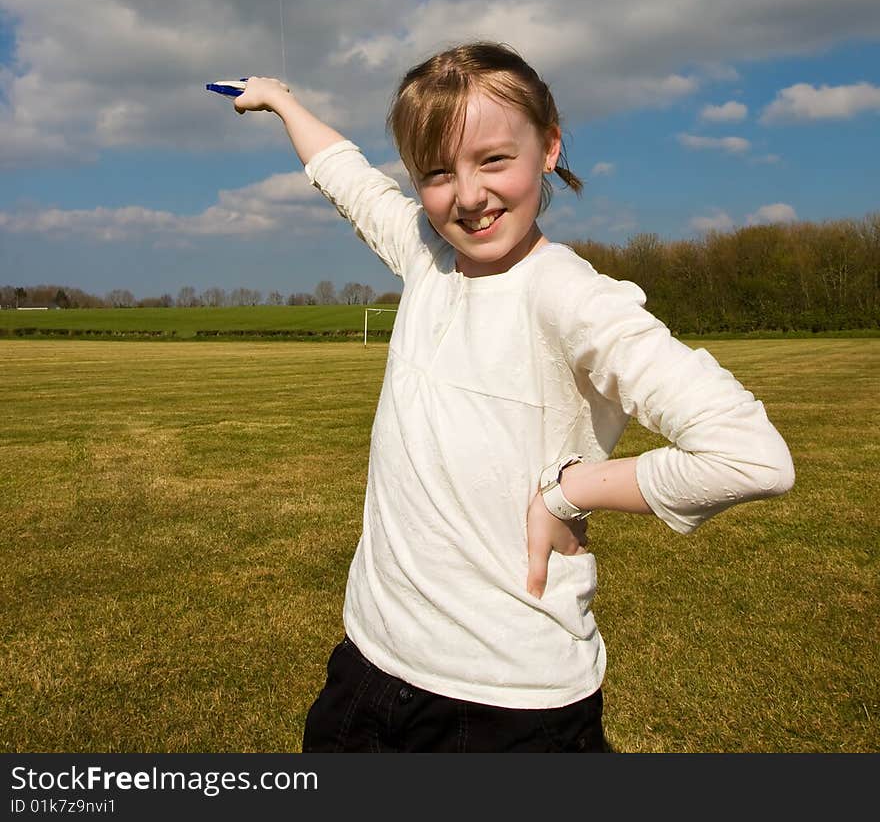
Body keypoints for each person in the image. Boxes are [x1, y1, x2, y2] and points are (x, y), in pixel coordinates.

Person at [232, 42, 795, 753]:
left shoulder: (576, 298)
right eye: (437, 172)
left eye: (493, 160)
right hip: (368, 669)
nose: (467, 196)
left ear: (549, 146)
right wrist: (281, 100)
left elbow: (751, 456)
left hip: (509, 707)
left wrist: (570, 491)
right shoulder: (426, 255)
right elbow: (344, 174)